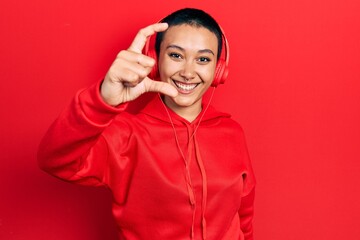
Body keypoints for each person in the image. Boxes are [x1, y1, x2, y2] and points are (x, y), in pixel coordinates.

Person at [38, 8, 256, 240]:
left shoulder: (232, 132)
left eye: (203, 59)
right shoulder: (126, 133)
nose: (188, 72)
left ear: (218, 70)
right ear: (154, 60)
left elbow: (244, 216)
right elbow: (55, 161)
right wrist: (103, 99)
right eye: (176, 55)